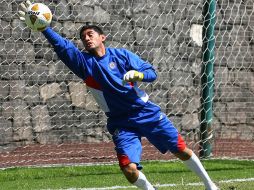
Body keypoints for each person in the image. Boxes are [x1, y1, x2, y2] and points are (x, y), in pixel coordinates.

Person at [19, 1, 219, 190]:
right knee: (128, 169)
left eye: (90, 34)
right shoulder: (84, 64)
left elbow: (151, 72)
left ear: (102, 37)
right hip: (120, 122)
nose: (86, 39)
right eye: (83, 37)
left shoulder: (121, 55)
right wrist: (44, 28)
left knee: (181, 150)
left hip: (145, 112)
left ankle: (211, 185)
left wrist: (139, 74)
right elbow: (63, 46)